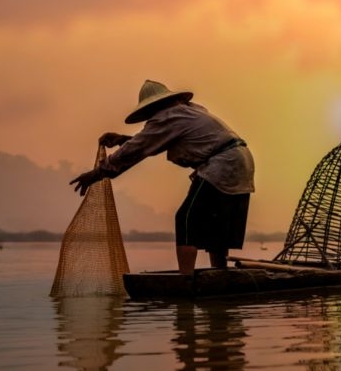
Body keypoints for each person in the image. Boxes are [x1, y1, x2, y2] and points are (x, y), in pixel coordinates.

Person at [70, 79, 255, 273]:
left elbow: (138, 148)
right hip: (240, 160)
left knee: (186, 219)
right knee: (216, 222)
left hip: (221, 165)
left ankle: (185, 279)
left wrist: (96, 173)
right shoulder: (189, 111)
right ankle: (219, 273)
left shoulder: (170, 115)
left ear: (154, 107)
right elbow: (157, 139)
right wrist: (126, 139)